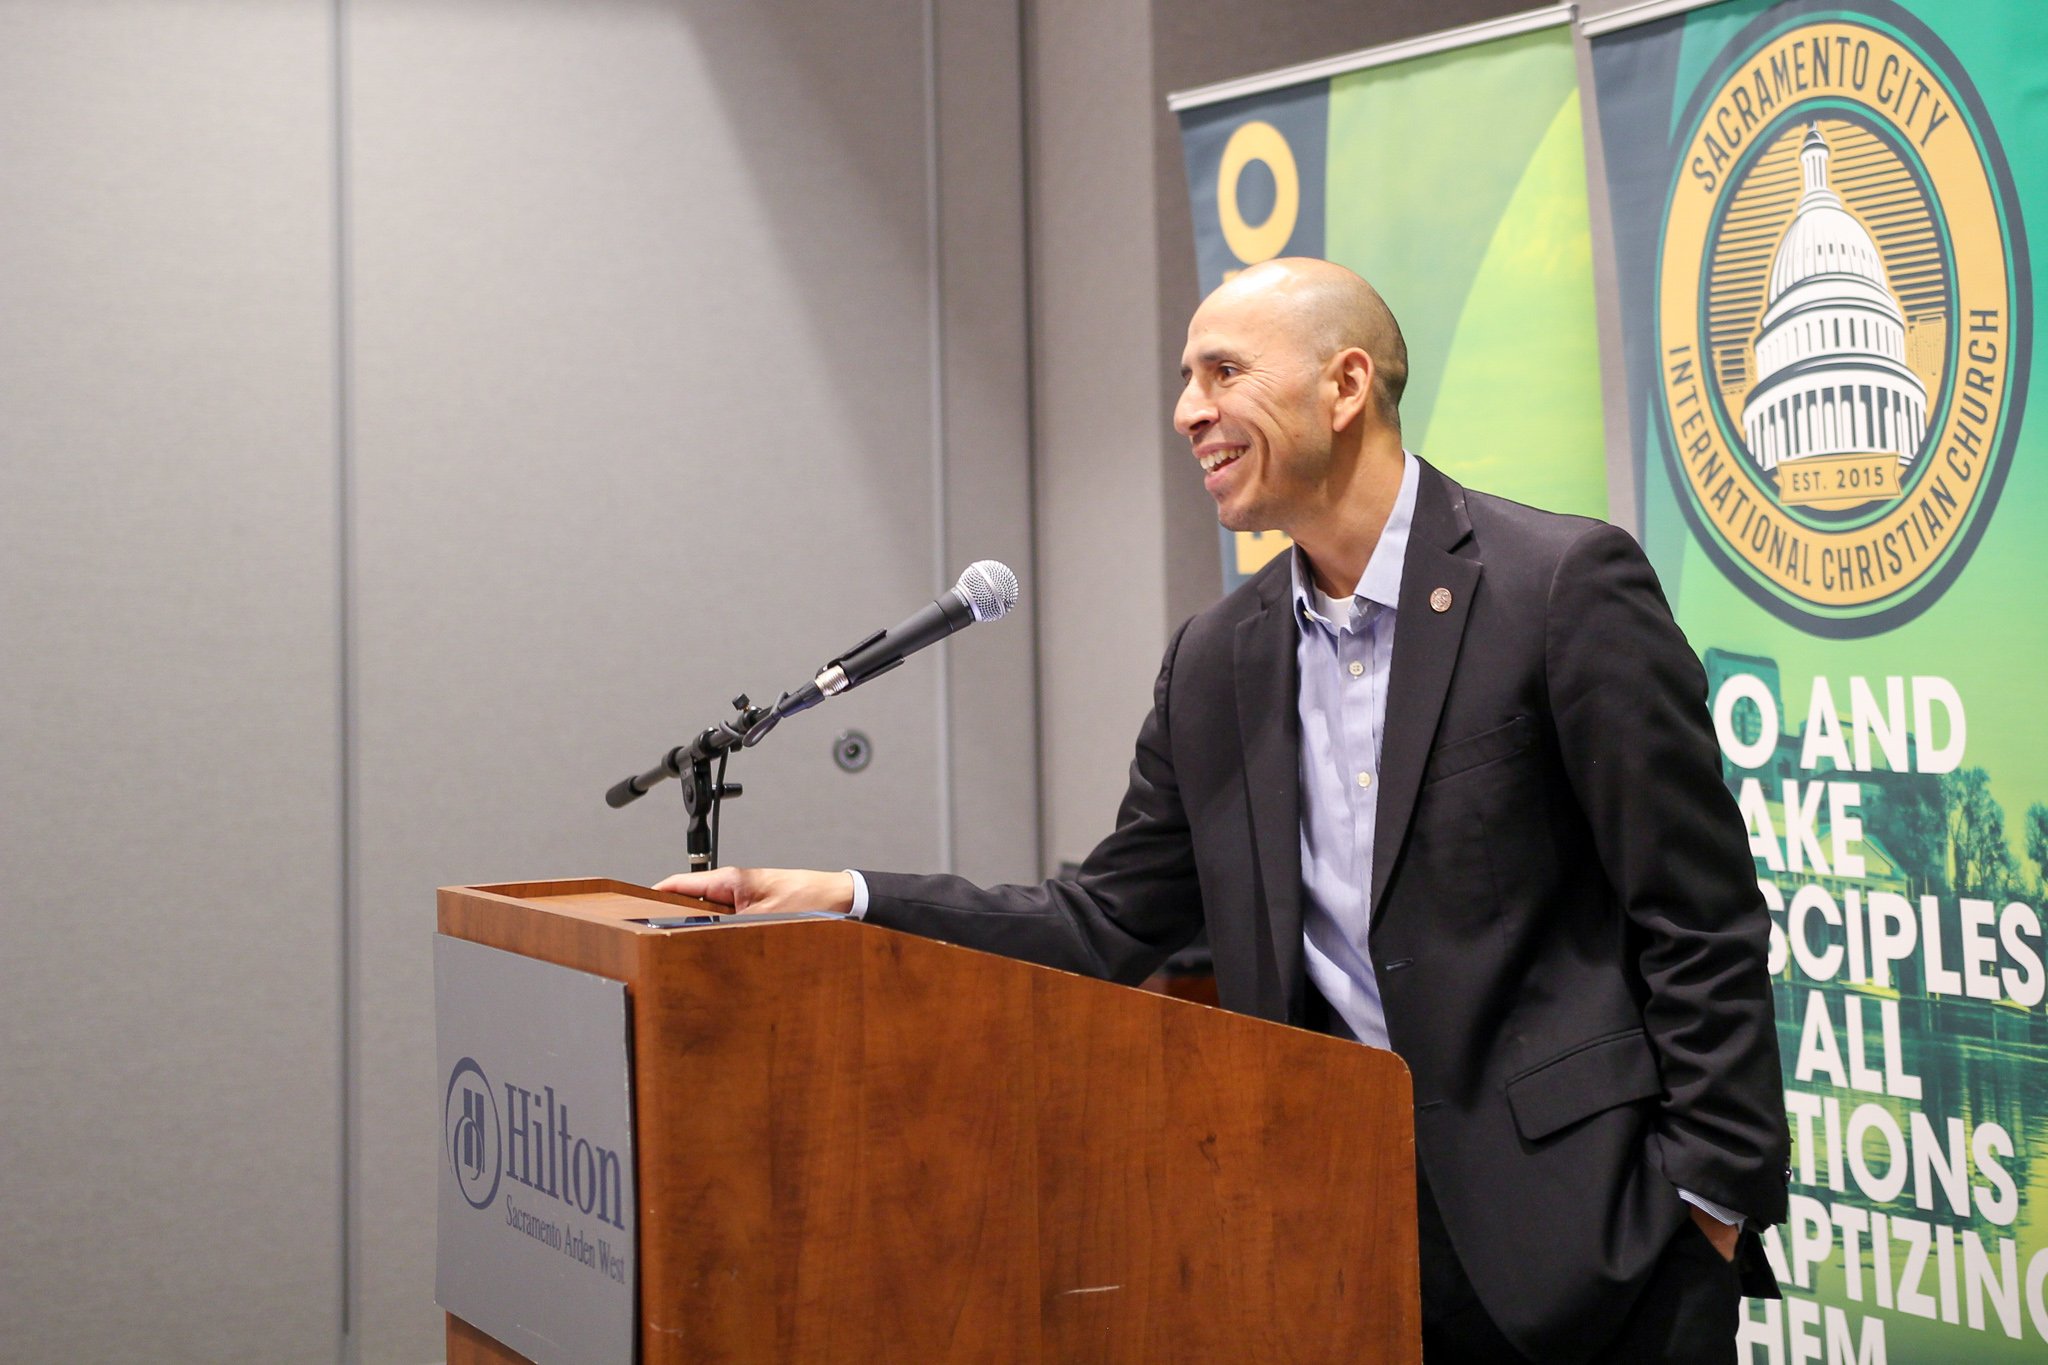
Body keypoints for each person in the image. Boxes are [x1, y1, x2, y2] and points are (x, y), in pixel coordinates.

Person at [658, 258, 1788, 1364]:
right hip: (1332, 1236)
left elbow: (1697, 913)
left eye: (1223, 372)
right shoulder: (1214, 660)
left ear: (1344, 387)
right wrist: (845, 899)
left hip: (1592, 1242)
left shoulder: (1558, 586)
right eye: (1185, 380)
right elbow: (1102, 919)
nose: (1186, 411)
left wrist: (1708, 1200)